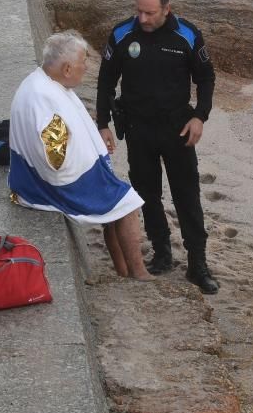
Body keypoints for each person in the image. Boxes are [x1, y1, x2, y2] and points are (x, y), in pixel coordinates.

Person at [95, 0, 219, 294]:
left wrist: (199, 117)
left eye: (150, 13)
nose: (143, 19)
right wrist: (103, 123)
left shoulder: (186, 35)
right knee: (147, 194)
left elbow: (206, 77)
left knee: (187, 196)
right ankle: (162, 253)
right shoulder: (123, 33)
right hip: (137, 128)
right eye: (139, 11)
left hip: (178, 128)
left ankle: (197, 263)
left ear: (167, 9)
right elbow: (106, 80)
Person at [9, 31, 153, 280]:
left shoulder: (41, 82)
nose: (85, 67)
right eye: (82, 63)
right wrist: (85, 151)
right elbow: (55, 158)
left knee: (116, 198)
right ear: (66, 69)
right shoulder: (44, 98)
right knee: (128, 203)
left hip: (28, 178)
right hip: (55, 185)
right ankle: (139, 272)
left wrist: (92, 139)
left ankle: (122, 270)